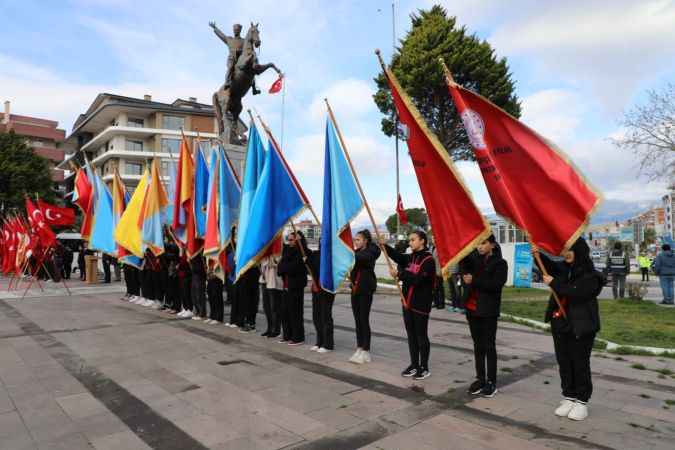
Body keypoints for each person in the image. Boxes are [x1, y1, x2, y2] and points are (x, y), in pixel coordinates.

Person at [534, 237, 602, 421]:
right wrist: (536, 252)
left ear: (579, 250)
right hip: (560, 324)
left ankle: (582, 401)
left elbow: (577, 292)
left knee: (580, 363)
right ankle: (569, 396)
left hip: (582, 326)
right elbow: (547, 267)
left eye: (569, 249)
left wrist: (554, 283)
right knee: (564, 362)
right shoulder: (563, 268)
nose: (565, 253)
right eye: (563, 249)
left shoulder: (591, 275)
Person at [382, 230, 435, 381]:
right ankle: (414, 364)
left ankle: (424, 367)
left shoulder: (428, 260)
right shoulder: (411, 257)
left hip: (420, 304)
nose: (410, 242)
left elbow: (418, 280)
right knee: (411, 335)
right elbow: (398, 257)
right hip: (407, 302)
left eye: (413, 240)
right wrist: (384, 246)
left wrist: (400, 275)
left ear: (422, 241)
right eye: (409, 240)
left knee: (421, 335)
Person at [460, 235, 507, 398]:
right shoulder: (475, 260)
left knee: (489, 345)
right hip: (472, 309)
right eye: (478, 243)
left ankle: (491, 382)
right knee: (477, 345)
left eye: (483, 243)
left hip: (488, 311)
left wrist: (474, 281)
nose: (480, 247)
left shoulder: (500, 263)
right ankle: (480, 378)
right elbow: (463, 264)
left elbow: (495, 285)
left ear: (492, 245)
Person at [348, 230, 381, 363]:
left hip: (365, 289)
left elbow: (363, 258)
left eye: (358, 240)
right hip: (355, 289)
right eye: (355, 240)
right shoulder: (356, 253)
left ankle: (366, 350)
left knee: (363, 319)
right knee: (357, 320)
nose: (356, 242)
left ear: (365, 240)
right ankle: (359, 347)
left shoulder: (371, 252)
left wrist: (348, 255)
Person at [278, 231, 308, 346]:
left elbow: (293, 268)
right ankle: (287, 335)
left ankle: (298, 337)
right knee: (285, 312)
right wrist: (285, 267)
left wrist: (285, 267)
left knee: (295, 312)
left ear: (297, 241)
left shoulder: (301, 251)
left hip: (296, 286)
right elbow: (280, 268)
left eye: (291, 240)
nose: (289, 242)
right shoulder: (287, 251)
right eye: (288, 239)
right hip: (286, 286)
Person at [308, 245, 335, 353]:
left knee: (325, 316)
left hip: (327, 289)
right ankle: (319, 341)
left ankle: (328, 344)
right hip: (316, 288)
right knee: (316, 316)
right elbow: (311, 268)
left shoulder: (332, 256)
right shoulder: (315, 254)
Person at [260, 254, 283, 338]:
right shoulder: (265, 251)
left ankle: (276, 330)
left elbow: (277, 262)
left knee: (275, 307)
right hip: (264, 280)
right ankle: (269, 328)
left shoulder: (278, 249)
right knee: (266, 307)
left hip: (274, 282)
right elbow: (261, 263)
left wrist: (270, 257)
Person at [176, 252, 194, 319]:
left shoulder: (186, 251)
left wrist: (179, 265)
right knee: (183, 293)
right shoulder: (182, 250)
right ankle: (185, 308)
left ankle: (189, 309)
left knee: (187, 293)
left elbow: (184, 262)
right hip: (181, 275)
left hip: (187, 274)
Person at [191, 255, 207, 320]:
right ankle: (198, 311)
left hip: (200, 276)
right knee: (194, 295)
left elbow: (201, 266)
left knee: (199, 295)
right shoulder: (194, 255)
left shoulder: (200, 253)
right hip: (195, 275)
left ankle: (202, 313)